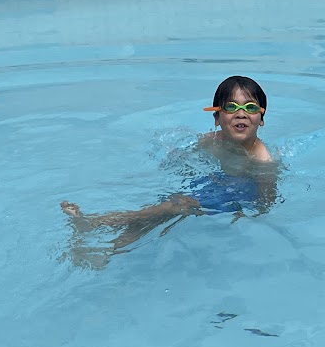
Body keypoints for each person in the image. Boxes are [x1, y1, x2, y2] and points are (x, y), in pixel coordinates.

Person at [61, 76, 278, 256]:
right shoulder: (211, 140)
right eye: (231, 107)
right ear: (217, 118)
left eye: (250, 107)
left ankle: (96, 222)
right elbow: (184, 162)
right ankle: (106, 253)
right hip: (214, 182)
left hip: (241, 194)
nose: (241, 113)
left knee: (174, 206)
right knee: (160, 212)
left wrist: (251, 215)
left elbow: (266, 199)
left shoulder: (261, 159)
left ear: (261, 118)